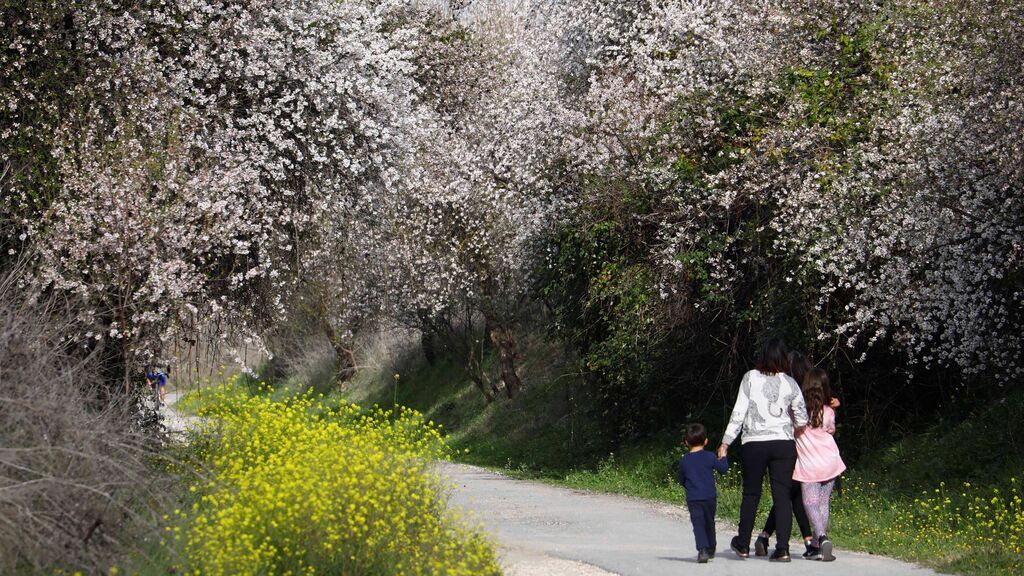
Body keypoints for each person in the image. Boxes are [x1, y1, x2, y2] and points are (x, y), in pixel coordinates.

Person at [718, 337, 808, 562]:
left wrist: (726, 442)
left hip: (754, 443)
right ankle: (783, 549)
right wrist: (792, 430)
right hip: (783, 444)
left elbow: (739, 411)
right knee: (783, 496)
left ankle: (743, 544)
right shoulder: (790, 383)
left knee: (751, 493)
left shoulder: (750, 378)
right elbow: (802, 418)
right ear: (783, 357)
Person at [755, 351, 815, 558]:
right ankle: (807, 540)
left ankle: (765, 536)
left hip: (790, 447)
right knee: (791, 493)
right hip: (807, 451)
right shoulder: (810, 393)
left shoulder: (785, 389)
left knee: (787, 494)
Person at [793, 367, 846, 562]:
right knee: (823, 503)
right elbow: (830, 430)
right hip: (831, 462)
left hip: (810, 466)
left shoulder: (799, 414)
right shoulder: (828, 412)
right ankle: (816, 546)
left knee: (809, 503)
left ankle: (822, 537)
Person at [677, 423, 729, 563]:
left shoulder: (685, 460)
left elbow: (681, 479)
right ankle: (711, 547)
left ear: (686, 442)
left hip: (694, 498)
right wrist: (723, 456)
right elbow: (723, 469)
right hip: (709, 497)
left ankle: (702, 550)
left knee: (698, 524)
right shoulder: (710, 456)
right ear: (706, 441)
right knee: (709, 522)